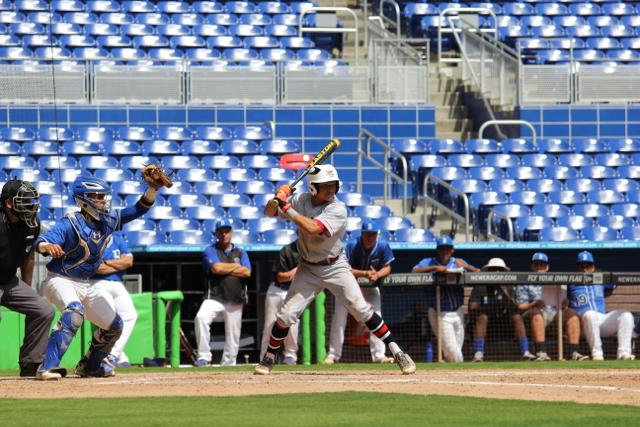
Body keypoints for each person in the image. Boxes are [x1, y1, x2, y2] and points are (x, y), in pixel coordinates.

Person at [255, 164, 415, 375]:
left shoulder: (337, 208)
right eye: (326, 186)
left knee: (362, 310)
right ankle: (268, 358)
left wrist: (286, 207)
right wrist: (277, 197)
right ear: (313, 188)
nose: (331, 190)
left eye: (334, 186)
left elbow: (313, 228)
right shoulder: (301, 200)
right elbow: (268, 212)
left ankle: (398, 352)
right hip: (307, 268)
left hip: (335, 266)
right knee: (285, 316)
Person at [34, 174, 166, 380]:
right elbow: (41, 241)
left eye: (103, 196)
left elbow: (138, 209)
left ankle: (90, 366)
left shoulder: (108, 221)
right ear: (83, 199)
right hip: (59, 279)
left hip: (85, 284)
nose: (102, 201)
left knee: (115, 326)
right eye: (97, 196)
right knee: (74, 312)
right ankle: (47, 367)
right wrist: (46, 246)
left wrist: (152, 189)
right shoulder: (70, 223)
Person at [0, 180, 55, 377]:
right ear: (8, 203)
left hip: (9, 280)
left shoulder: (32, 224)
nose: (31, 204)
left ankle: (30, 364)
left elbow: (29, 256)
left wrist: (27, 288)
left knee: (44, 310)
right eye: (23, 200)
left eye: (31, 200)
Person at [325, 220, 395, 365]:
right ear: (362, 235)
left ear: (377, 235)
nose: (370, 237)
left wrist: (378, 275)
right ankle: (333, 355)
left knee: (377, 317)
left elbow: (387, 267)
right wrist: (364, 273)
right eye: (367, 234)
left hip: (370, 285)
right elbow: (345, 268)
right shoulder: (352, 245)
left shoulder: (382, 245)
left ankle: (379, 355)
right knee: (339, 317)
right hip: (349, 285)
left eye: (372, 234)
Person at [411, 236, 479, 363]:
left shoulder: (458, 261)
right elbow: (414, 271)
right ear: (437, 250)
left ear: (452, 250)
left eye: (447, 249)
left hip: (458, 312)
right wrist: (435, 269)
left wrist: (466, 266)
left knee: (456, 349)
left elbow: (478, 273)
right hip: (439, 312)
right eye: (442, 249)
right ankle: (461, 375)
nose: (444, 252)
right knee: (453, 352)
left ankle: (450, 377)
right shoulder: (429, 262)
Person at [194, 218, 251, 367]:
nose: (224, 234)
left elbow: (247, 272)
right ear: (216, 234)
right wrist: (235, 267)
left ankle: (228, 363)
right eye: (221, 231)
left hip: (235, 298)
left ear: (231, 233)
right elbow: (216, 269)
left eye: (227, 231)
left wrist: (227, 268)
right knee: (201, 318)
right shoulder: (210, 250)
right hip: (215, 296)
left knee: (233, 335)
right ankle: (204, 357)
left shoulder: (240, 251)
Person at [515, 252, 588, 361]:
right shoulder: (526, 281)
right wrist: (533, 304)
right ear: (532, 266)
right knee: (536, 312)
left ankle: (575, 352)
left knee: (571, 313)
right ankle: (541, 352)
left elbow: (564, 302)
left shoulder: (557, 279)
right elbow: (520, 306)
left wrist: (564, 304)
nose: (539, 267)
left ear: (547, 267)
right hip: (534, 317)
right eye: (536, 264)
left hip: (555, 315)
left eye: (542, 264)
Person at [568, 251, 635, 361]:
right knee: (590, 314)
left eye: (588, 265)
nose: (585, 269)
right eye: (582, 265)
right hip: (583, 323)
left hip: (601, 319)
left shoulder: (600, 279)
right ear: (577, 267)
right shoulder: (570, 281)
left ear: (593, 266)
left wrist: (600, 274)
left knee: (626, 315)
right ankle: (597, 354)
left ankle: (624, 353)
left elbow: (615, 280)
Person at [469, 257, 537, 362]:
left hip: (505, 327)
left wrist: (505, 293)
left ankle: (525, 352)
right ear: (488, 272)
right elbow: (472, 307)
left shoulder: (508, 286)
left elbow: (516, 308)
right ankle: (478, 353)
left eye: (500, 270)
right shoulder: (481, 285)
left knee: (517, 317)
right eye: (493, 269)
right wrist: (489, 306)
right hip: (486, 326)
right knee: (482, 317)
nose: (496, 272)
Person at [90, 231, 137, 368]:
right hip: (97, 283)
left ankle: (113, 354)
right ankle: (113, 355)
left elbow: (129, 261)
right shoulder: (92, 241)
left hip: (118, 284)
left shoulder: (117, 239)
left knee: (130, 315)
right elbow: (98, 268)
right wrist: (117, 265)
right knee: (110, 319)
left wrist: (107, 262)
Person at [259, 240, 300, 365]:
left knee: (292, 325)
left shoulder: (314, 250)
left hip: (296, 291)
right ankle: (265, 356)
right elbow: (281, 277)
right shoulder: (288, 249)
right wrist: (299, 270)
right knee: (270, 325)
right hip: (277, 290)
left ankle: (290, 356)